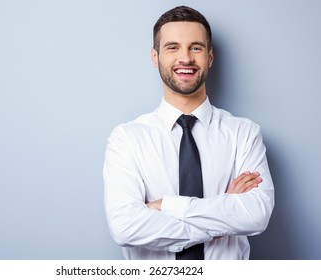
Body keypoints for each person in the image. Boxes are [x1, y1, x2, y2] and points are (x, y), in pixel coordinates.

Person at [103, 6, 274, 260]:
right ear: (154, 56)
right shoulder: (127, 139)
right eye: (173, 47)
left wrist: (166, 206)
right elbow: (125, 228)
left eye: (196, 47)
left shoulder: (244, 133)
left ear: (210, 58)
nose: (185, 58)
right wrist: (223, 214)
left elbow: (256, 214)